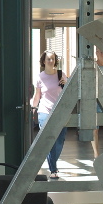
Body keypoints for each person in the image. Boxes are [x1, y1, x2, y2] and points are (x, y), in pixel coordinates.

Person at [30, 50, 68, 180]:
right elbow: (37, 96)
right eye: (48, 59)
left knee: (60, 140)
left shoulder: (60, 74)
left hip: (60, 112)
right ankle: (53, 169)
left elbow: (68, 94)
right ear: (43, 61)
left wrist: (65, 84)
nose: (51, 61)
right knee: (49, 140)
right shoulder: (40, 77)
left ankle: (53, 163)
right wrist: (33, 109)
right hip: (45, 112)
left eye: (53, 59)